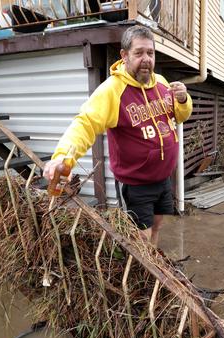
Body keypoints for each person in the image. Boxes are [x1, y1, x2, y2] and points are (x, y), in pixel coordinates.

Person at [43, 25, 192, 246]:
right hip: (137, 183)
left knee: (158, 223)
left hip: (163, 178)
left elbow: (179, 116)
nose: (146, 59)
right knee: (140, 236)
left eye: (150, 53)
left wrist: (182, 100)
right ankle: (145, 272)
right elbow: (85, 123)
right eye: (139, 53)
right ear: (124, 55)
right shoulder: (112, 90)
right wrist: (63, 156)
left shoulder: (161, 82)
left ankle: (154, 259)